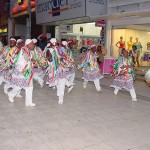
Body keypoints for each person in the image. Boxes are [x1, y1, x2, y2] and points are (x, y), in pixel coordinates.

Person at [8, 39, 36, 106]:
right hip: (21, 70)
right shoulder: (24, 49)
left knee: (29, 86)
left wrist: (33, 62)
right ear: (28, 44)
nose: (33, 45)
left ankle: (28, 102)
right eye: (32, 43)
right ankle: (11, 94)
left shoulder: (28, 50)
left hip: (27, 70)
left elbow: (30, 59)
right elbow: (26, 58)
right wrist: (33, 61)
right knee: (19, 86)